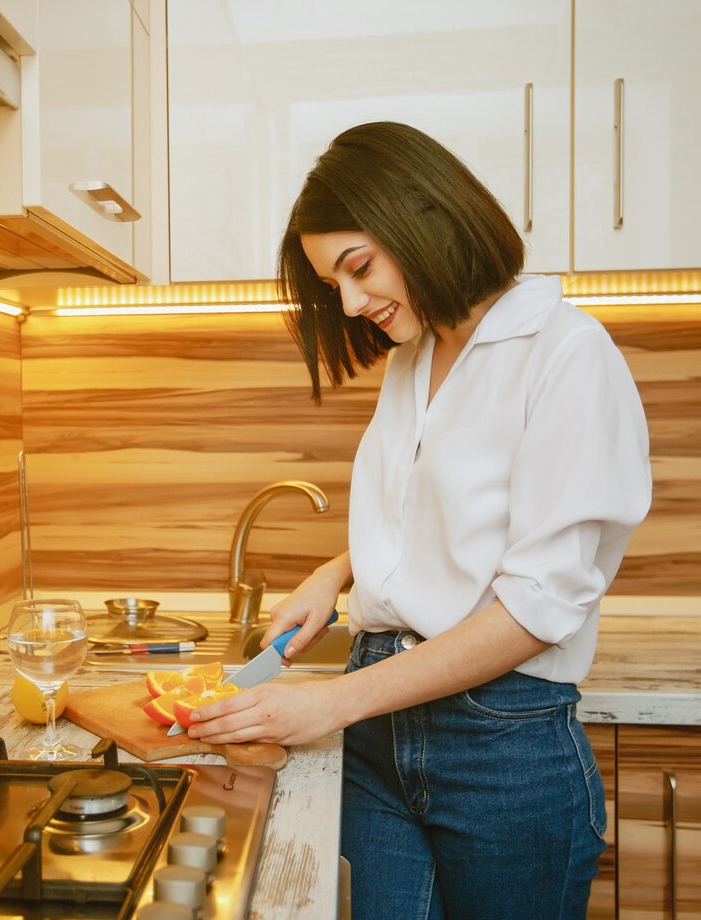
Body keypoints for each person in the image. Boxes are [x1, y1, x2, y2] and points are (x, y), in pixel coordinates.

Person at [184, 122, 652, 920]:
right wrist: (336, 575)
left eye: (358, 267)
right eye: (334, 283)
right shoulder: (416, 356)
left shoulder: (566, 353)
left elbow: (538, 608)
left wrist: (330, 704)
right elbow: (434, 514)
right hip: (378, 734)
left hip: (501, 747)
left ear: (425, 215)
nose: (351, 302)